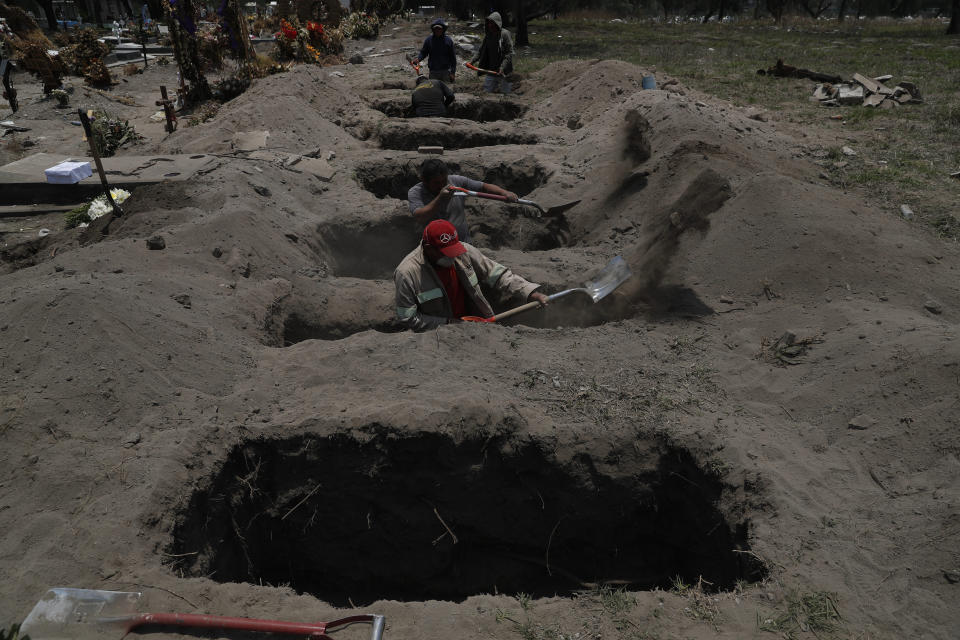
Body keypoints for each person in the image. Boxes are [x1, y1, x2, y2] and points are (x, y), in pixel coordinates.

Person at [395, 220, 549, 330]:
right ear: (429, 248)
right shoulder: (408, 272)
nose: (452, 257)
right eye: (446, 253)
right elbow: (408, 318)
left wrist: (529, 292)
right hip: (438, 337)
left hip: (478, 325)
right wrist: (449, 323)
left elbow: (497, 274)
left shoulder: (464, 251)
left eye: (454, 251)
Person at [408, 158, 517, 244]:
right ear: (424, 181)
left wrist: (504, 193)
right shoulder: (416, 192)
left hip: (462, 243)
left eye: (444, 180)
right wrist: (440, 198)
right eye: (436, 183)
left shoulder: (456, 181)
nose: (441, 185)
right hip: (435, 247)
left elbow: (483, 186)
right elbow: (420, 217)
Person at [470, 11, 513, 94]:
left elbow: (509, 53)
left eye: (492, 23)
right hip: (491, 70)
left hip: (505, 72)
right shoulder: (488, 36)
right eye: (489, 23)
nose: (490, 25)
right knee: (487, 93)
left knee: (506, 94)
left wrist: (502, 67)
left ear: (497, 24)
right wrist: (472, 61)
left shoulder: (505, 34)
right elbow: (480, 51)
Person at [412, 18, 457, 83]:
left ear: (443, 29)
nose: (437, 30)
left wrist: (453, 73)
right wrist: (418, 59)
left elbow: (453, 58)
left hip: (445, 72)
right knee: (434, 90)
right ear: (433, 29)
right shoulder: (429, 40)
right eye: (436, 29)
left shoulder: (448, 41)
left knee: (445, 90)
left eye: (439, 29)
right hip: (433, 72)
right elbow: (424, 52)